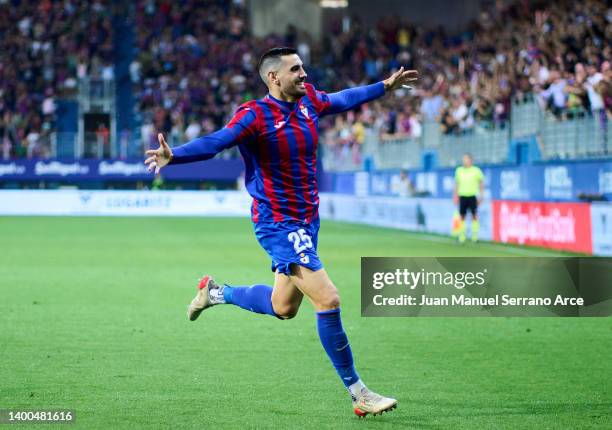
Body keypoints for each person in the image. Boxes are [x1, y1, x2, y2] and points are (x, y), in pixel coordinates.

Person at [144, 47, 418, 417]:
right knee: (329, 299)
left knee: (283, 307)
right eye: (296, 69)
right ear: (274, 77)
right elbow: (217, 142)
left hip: (308, 221)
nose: (304, 74)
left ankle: (214, 293)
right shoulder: (254, 115)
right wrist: (175, 155)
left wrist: (383, 86)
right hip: (278, 222)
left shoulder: (309, 102)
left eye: (303, 67)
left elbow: (342, 99)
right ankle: (359, 394)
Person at [453, 153, 484, 243]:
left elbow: (481, 183)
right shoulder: (459, 170)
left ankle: (475, 237)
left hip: (472, 196)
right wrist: (455, 195)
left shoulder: (476, 170)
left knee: (474, 215)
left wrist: (481, 196)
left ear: (470, 160)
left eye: (466, 159)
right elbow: (456, 184)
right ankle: (462, 236)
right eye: (463, 159)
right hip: (462, 196)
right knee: (462, 216)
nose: (464, 161)